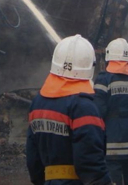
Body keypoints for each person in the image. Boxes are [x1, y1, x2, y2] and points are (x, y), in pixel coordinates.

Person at [26, 34, 111, 185]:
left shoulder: (37, 104)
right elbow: (90, 161)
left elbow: (33, 159)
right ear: (89, 67)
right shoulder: (83, 107)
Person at [94, 38, 128, 185]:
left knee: (112, 178)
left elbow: (98, 110)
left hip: (113, 138)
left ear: (109, 57)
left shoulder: (105, 79)